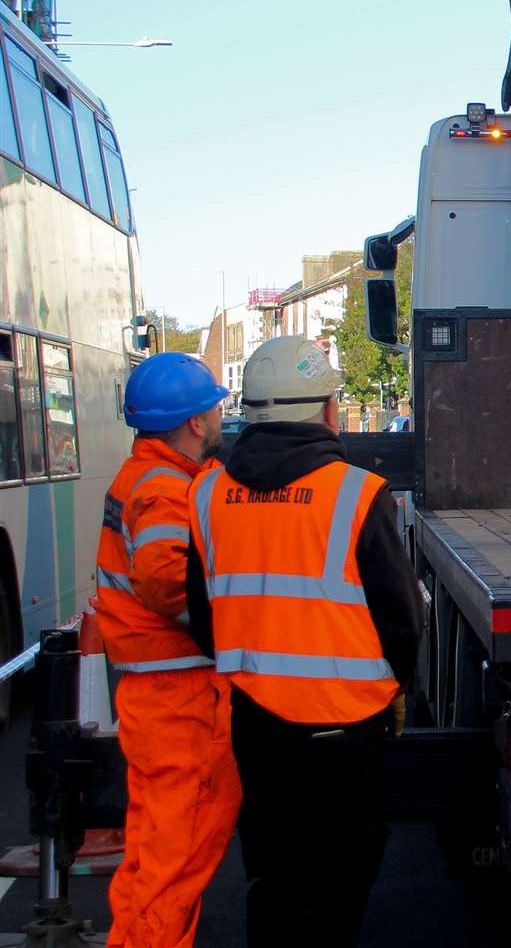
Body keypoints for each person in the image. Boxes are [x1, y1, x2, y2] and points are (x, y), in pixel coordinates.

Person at [184, 336, 422, 947]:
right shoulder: (355, 493)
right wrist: (400, 690)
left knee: (274, 877)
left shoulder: (207, 495)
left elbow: (204, 617)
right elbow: (399, 618)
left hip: (256, 724)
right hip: (348, 726)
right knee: (343, 881)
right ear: (324, 409)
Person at [94, 353, 240, 948]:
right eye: (215, 406)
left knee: (155, 852)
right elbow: (162, 579)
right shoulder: (164, 488)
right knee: (175, 857)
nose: (220, 414)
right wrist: (223, 627)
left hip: (159, 694)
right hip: (178, 699)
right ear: (194, 422)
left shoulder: (147, 476)